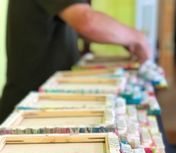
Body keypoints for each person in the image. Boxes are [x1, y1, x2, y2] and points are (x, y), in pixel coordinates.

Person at [0, 0, 150, 122]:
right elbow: (87, 21)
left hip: (43, 102)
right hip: (29, 108)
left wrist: (125, 38)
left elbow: (82, 25)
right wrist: (137, 38)